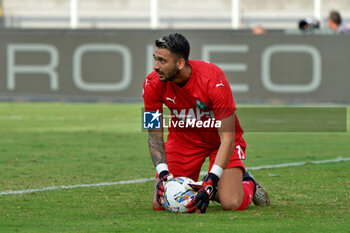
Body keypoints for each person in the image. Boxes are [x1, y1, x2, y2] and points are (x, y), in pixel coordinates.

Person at [142, 33, 270, 213]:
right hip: (183, 141)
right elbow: (153, 134)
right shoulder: (151, 83)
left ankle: (248, 183)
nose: (156, 66)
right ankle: (206, 187)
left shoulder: (213, 79)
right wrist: (163, 173)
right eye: (155, 59)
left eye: (162, 61)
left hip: (220, 142)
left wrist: (211, 181)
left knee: (231, 203)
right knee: (160, 202)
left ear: (180, 63)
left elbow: (228, 138)